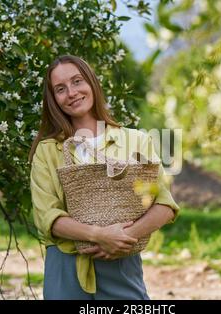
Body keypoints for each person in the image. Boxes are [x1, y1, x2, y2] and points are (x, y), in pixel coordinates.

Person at [28, 55, 179, 300]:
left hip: (121, 259)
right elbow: (47, 217)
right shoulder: (47, 151)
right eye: (60, 89)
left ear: (92, 83)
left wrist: (124, 237)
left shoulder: (135, 141)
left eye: (77, 81)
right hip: (65, 265)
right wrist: (99, 236)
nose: (72, 93)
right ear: (53, 99)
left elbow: (164, 204)